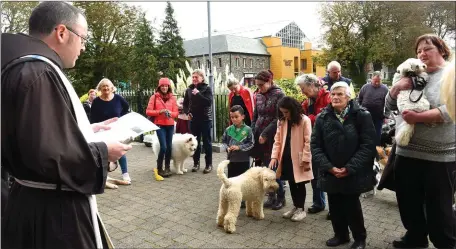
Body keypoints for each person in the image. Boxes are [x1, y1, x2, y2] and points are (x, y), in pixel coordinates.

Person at [1, 2, 132, 248]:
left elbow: (34, 134)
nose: (83, 46)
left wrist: (85, 130)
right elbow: (49, 156)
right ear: (61, 32)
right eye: (82, 37)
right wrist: (104, 152)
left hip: (32, 203)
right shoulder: (39, 73)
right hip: (52, 213)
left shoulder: (26, 68)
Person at [385, 34, 455, 249]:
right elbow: (390, 105)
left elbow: (451, 111)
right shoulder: (409, 73)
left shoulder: (451, 74)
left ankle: (446, 243)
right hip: (407, 152)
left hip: (439, 156)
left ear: (441, 50)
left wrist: (419, 118)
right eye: (418, 51)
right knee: (408, 202)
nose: (422, 54)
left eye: (427, 49)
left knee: (439, 208)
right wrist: (398, 87)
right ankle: (415, 237)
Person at [311, 82, 376, 249]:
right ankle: (340, 235)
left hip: (352, 171)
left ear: (349, 97)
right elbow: (315, 146)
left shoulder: (361, 115)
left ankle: (359, 238)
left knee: (352, 205)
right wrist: (329, 167)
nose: (335, 97)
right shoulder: (322, 117)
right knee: (334, 204)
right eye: (333, 94)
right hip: (330, 171)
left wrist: (350, 167)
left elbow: (368, 145)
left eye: (340, 94)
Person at [269, 97, 313, 222]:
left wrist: (305, 158)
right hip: (286, 158)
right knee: (292, 182)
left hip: (299, 159)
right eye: (282, 112)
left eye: (286, 112)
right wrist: (274, 156)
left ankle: (301, 209)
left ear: (293, 110)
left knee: (299, 183)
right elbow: (277, 140)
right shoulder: (281, 121)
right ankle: (295, 206)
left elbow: (308, 141)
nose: (284, 114)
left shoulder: (305, 120)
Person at [295, 73, 331, 219]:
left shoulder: (328, 97)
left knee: (328, 175)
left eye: (303, 88)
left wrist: (309, 119)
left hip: (328, 142)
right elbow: (301, 113)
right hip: (314, 141)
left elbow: (328, 117)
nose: (302, 92)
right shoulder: (308, 101)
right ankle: (318, 203)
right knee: (315, 175)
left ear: (311, 85)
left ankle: (334, 208)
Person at [251, 69, 286, 210]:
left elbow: (279, 117)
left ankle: (281, 197)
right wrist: (253, 129)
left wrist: (265, 133)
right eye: (257, 85)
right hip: (259, 135)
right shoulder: (258, 94)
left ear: (269, 81)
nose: (258, 88)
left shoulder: (279, 94)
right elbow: (256, 114)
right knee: (265, 169)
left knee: (274, 169)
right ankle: (271, 196)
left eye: (261, 85)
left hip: (272, 136)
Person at [91, 78, 132, 183]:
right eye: (103, 86)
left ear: (111, 88)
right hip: (102, 130)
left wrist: (121, 118)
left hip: (116, 129)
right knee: (103, 152)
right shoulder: (96, 101)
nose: (105, 88)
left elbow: (126, 108)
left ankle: (125, 173)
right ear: (100, 88)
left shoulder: (118, 98)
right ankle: (104, 176)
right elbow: (92, 117)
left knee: (120, 150)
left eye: (107, 86)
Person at [221, 105, 254, 208]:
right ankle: (232, 198)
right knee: (231, 180)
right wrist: (227, 148)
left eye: (236, 116)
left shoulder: (248, 130)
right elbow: (223, 142)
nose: (234, 119)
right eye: (232, 117)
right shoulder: (228, 129)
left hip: (243, 160)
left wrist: (240, 147)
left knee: (243, 181)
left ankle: (243, 200)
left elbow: (251, 143)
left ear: (243, 116)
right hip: (231, 160)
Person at [146, 77, 178, 178]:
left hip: (170, 124)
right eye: (162, 86)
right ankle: (160, 168)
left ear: (169, 87)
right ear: (159, 87)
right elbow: (148, 111)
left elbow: (176, 112)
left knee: (169, 147)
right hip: (160, 124)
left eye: (166, 86)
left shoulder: (173, 97)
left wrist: (171, 114)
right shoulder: (154, 97)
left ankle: (167, 167)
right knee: (163, 147)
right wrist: (160, 112)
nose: (164, 87)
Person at [183, 69, 214, 174]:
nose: (194, 79)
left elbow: (209, 102)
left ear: (202, 78)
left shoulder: (207, 89)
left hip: (205, 120)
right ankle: (196, 163)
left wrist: (199, 94)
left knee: (207, 143)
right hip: (193, 120)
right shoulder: (189, 89)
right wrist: (188, 113)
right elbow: (185, 104)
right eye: (193, 77)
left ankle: (208, 164)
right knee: (194, 142)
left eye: (196, 77)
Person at [358, 71, 389, 145]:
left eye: (379, 81)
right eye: (375, 81)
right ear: (372, 79)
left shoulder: (385, 89)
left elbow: (388, 104)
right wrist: (360, 110)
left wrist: (386, 116)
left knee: (377, 135)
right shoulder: (365, 87)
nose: (377, 83)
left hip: (378, 117)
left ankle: (377, 151)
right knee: (365, 134)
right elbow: (359, 99)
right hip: (365, 116)